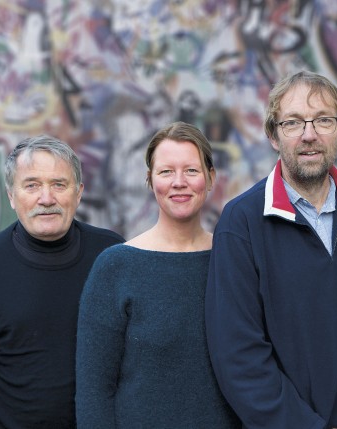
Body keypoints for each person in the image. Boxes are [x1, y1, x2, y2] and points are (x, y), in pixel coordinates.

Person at [205, 70, 337, 429]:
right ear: (273, 135)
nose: (309, 135)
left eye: (323, 120)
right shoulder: (242, 223)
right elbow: (238, 354)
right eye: (293, 122)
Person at [0, 135, 124, 428]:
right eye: (31, 185)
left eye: (59, 184)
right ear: (11, 196)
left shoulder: (113, 256)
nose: (46, 198)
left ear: (78, 193)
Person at [75, 121, 240, 428]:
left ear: (210, 178)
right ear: (150, 180)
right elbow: (94, 392)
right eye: (166, 172)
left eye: (191, 170)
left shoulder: (235, 261)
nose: (179, 182)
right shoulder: (116, 267)